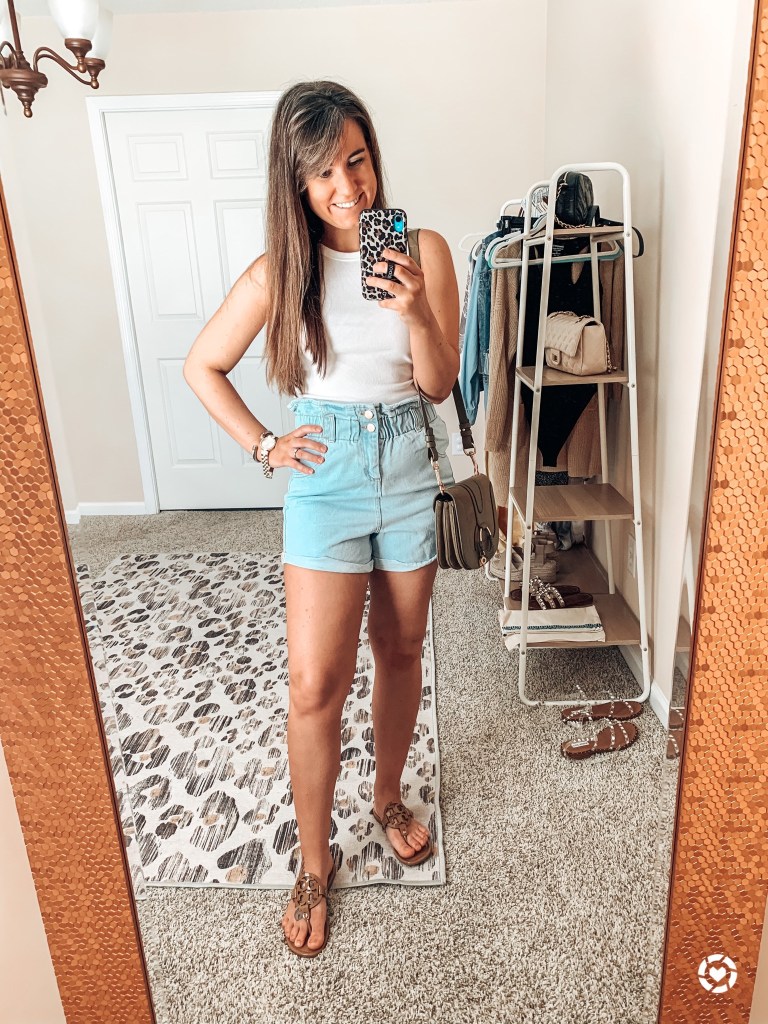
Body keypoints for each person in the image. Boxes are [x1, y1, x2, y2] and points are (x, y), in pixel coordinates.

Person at [183, 80, 459, 957]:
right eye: (325, 172)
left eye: (358, 160)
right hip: (325, 475)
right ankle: (313, 860)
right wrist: (265, 446)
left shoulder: (424, 248)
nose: (349, 186)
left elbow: (439, 384)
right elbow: (202, 365)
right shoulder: (280, 273)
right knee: (313, 684)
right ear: (296, 183)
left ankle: (387, 797)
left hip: (409, 465)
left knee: (402, 650)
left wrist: (415, 309)